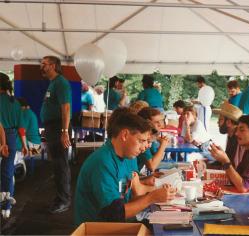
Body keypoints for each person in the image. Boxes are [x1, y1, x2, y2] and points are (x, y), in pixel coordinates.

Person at [74, 111, 176, 226]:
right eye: (141, 141)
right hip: (99, 229)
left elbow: (131, 193)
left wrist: (159, 191)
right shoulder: (103, 163)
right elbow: (114, 213)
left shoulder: (129, 157)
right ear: (125, 135)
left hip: (120, 222)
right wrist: (152, 197)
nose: (144, 148)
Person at [210, 114, 249, 201]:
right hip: (247, 198)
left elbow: (243, 187)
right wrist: (223, 159)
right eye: (237, 129)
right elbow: (236, 178)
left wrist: (225, 161)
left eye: (242, 130)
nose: (236, 133)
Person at [40, 56, 72, 214]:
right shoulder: (53, 83)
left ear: (53, 66)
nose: (42, 67)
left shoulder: (61, 83)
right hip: (53, 127)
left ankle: (64, 200)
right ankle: (61, 197)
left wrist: (64, 132)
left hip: (59, 127)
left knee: (61, 164)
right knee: (57, 165)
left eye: (44, 64)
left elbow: (66, 108)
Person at [0, 72, 28, 219]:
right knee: (7, 172)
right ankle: (7, 208)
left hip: (2, 136)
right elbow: (21, 127)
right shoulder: (15, 102)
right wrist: (24, 146)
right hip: (11, 138)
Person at [137, 107, 169, 172]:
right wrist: (163, 145)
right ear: (147, 123)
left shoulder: (152, 139)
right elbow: (152, 166)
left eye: (161, 121)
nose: (160, 125)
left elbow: (157, 158)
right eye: (157, 122)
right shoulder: (142, 140)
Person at [212, 101, 243, 168]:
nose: (217, 122)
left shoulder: (239, 139)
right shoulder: (230, 136)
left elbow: (233, 165)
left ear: (229, 122)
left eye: (220, 119)